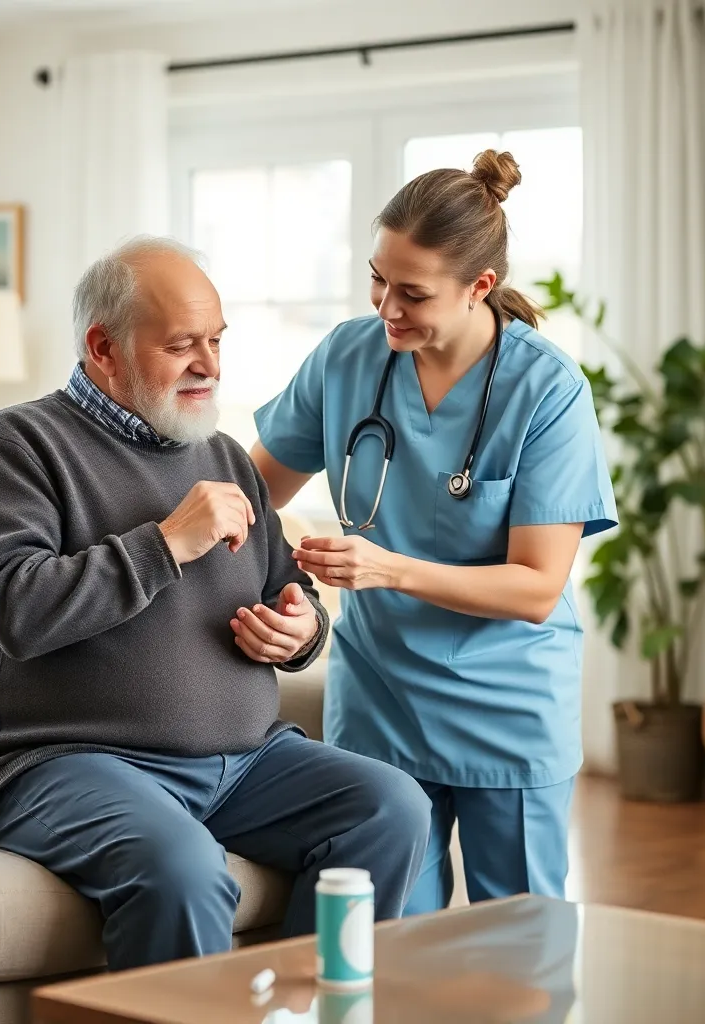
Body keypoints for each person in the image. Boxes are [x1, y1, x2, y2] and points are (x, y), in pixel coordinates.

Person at [0, 237, 431, 971]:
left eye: (215, 341)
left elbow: (289, 591)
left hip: (245, 762)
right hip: (66, 761)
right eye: (182, 345)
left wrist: (300, 630)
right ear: (103, 348)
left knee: (392, 807)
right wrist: (167, 542)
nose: (209, 364)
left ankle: (308, 1015)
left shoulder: (223, 454)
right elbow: (16, 610)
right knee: (184, 868)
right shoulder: (20, 442)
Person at [250, 151, 618, 913]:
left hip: (506, 705)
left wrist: (388, 569)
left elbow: (536, 586)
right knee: (381, 942)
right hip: (379, 697)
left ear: (480, 286)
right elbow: (254, 492)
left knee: (516, 954)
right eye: (378, 280)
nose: (387, 307)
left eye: (412, 293)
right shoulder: (348, 358)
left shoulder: (547, 391)